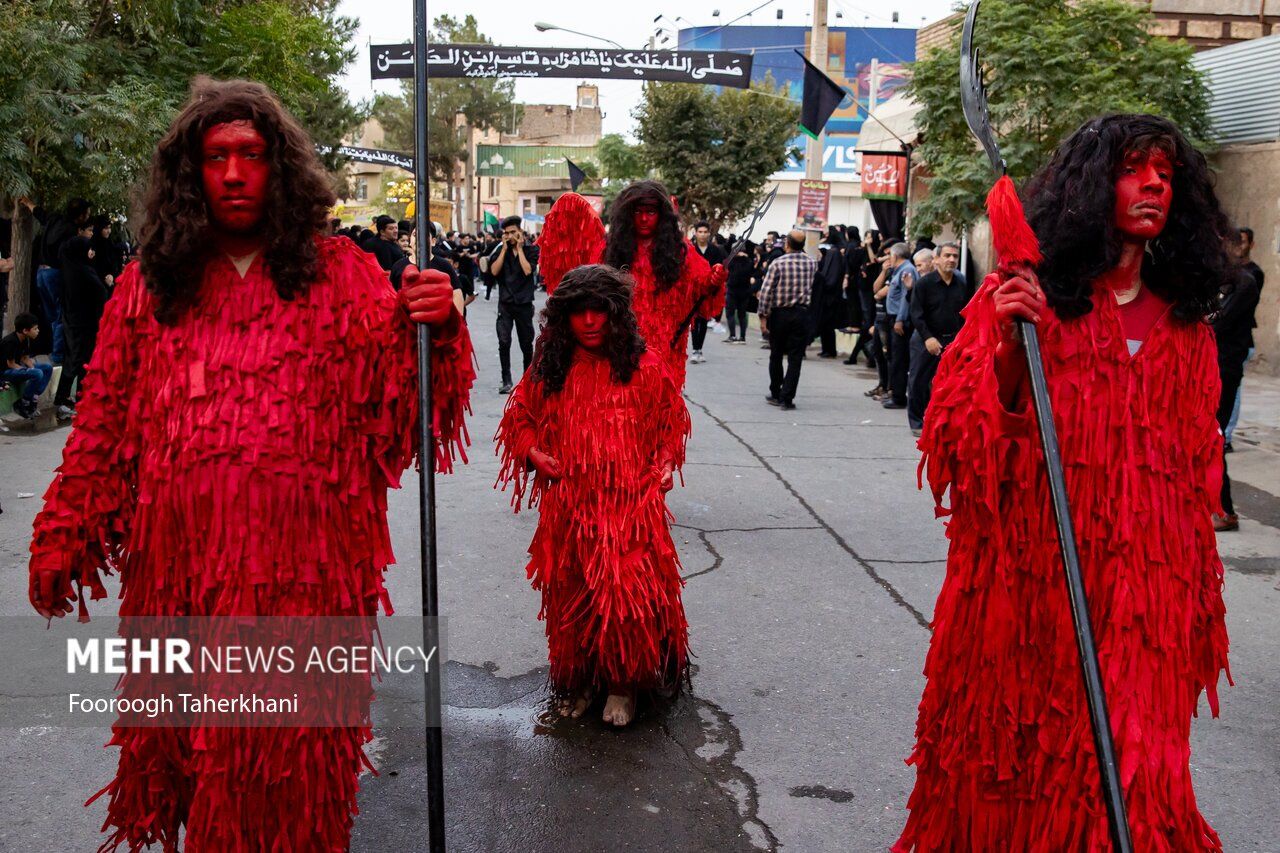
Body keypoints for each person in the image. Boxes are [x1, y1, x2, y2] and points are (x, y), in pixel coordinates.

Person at [26, 78, 474, 851]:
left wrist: (436, 330)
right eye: (216, 157)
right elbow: (102, 426)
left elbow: (405, 417)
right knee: (198, 759)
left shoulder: (344, 276)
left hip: (307, 581)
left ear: (283, 170)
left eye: (253, 156)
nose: (234, 173)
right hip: (180, 580)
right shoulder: (147, 289)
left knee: (292, 767)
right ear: (189, 174)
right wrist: (65, 528)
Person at [895, 114, 1234, 851]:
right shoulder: (1021, 302)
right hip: (1029, 591)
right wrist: (1013, 366)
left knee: (1132, 781)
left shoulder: (1188, 332)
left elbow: (1193, 479)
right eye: (1133, 169)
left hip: (1145, 608)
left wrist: (1190, 599)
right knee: (1018, 769)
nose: (1152, 185)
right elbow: (952, 449)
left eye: (1166, 175)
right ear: (1088, 189)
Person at [495, 264, 690, 728]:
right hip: (569, 510)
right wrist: (534, 455)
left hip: (630, 510)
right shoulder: (549, 369)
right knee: (572, 598)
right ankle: (578, 681)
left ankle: (624, 684)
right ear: (563, 318)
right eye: (578, 312)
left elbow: (669, 423)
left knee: (626, 599)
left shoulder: (644, 367)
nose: (588, 321)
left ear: (615, 314)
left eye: (597, 310)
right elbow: (518, 421)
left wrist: (664, 462)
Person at [1212, 247, 1261, 532]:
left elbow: (1218, 323)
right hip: (1218, 366)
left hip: (1226, 368)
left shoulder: (1245, 282)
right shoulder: (1226, 282)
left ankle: (1225, 510)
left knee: (1215, 436)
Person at [907, 242, 967, 436]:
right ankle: (917, 422)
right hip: (926, 339)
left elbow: (965, 313)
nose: (951, 259)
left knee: (949, 383)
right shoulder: (924, 283)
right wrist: (928, 338)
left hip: (952, 341)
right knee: (919, 380)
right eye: (947, 255)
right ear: (937, 259)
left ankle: (941, 421)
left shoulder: (961, 283)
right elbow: (916, 314)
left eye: (955, 256)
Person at [51, 226, 110, 419]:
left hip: (72, 321)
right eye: (88, 249)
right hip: (84, 324)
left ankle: (76, 398)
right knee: (78, 361)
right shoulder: (84, 271)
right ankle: (64, 400)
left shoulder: (70, 268)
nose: (91, 252)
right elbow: (101, 293)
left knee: (78, 359)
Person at [757, 230, 817, 410]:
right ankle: (787, 397)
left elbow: (767, 291)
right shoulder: (812, 264)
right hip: (801, 314)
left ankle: (776, 391)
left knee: (776, 354)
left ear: (787, 244)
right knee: (795, 358)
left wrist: (763, 316)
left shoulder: (778, 263)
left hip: (780, 314)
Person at [1223, 226, 1265, 452]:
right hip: (1227, 343)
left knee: (1233, 390)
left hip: (1240, 343)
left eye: (1243, 242)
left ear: (1251, 245)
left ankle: (1226, 436)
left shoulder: (1252, 275)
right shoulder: (1227, 272)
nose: (1238, 246)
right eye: (1235, 241)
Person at [489, 214, 540, 394]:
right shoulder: (500, 250)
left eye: (513, 232)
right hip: (505, 303)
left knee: (526, 344)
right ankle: (506, 380)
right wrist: (503, 250)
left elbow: (528, 271)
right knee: (504, 342)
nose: (510, 236)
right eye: (507, 233)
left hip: (524, 303)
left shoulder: (531, 250)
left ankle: (528, 380)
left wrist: (519, 249)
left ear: (520, 232)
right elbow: (494, 271)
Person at [876, 243, 916, 409]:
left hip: (900, 320)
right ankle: (895, 392)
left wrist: (900, 319)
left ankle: (899, 397)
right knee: (894, 357)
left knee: (899, 359)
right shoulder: (898, 270)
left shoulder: (907, 270)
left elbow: (906, 298)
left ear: (895, 255)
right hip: (893, 318)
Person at [1, 313, 53, 419]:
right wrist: (28, 370)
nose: (38, 331)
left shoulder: (25, 339)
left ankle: (34, 399)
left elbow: (25, 358)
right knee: (37, 373)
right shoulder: (10, 341)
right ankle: (23, 403)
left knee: (47, 368)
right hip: (6, 372)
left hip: (16, 367)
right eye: (35, 329)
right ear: (25, 330)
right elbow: (10, 364)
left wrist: (32, 368)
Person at [689, 220, 725, 364]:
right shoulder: (690, 249)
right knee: (693, 320)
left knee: (703, 320)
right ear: (695, 233)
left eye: (705, 232)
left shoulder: (716, 251)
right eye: (700, 232)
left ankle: (699, 349)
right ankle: (694, 349)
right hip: (692, 291)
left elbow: (720, 270)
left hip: (708, 291)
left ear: (709, 234)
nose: (702, 235)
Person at [812, 226, 847, 358]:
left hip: (830, 296)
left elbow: (831, 277)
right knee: (826, 325)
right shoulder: (833, 252)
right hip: (829, 295)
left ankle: (829, 350)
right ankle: (826, 349)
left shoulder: (834, 253)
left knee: (827, 325)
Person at [723, 239, 756, 343]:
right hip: (745, 290)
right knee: (742, 314)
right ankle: (742, 337)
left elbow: (726, 272)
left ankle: (732, 335)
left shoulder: (730, 261)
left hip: (732, 290)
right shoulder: (749, 261)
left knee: (730, 313)